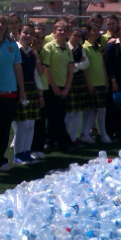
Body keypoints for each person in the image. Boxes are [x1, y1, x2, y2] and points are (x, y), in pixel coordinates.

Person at [0, 14, 25, 172]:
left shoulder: (12, 44)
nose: (1, 25)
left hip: (10, 92)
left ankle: (0, 160)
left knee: (4, 129)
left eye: (3, 23)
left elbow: (18, 68)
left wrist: (22, 90)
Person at [11, 23, 44, 164]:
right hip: (19, 90)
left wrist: (40, 93)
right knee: (23, 125)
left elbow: (38, 73)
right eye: (25, 32)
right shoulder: (13, 49)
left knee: (31, 125)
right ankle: (18, 155)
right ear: (19, 33)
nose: (28, 35)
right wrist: (20, 90)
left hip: (32, 89)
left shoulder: (32, 53)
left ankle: (26, 153)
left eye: (31, 33)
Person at [41, 20, 76, 153]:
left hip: (63, 88)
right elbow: (46, 69)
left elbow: (70, 70)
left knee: (58, 116)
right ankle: (63, 143)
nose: (62, 32)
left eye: (64, 30)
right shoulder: (48, 47)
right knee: (54, 117)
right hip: (50, 88)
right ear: (54, 32)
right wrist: (54, 87)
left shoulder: (68, 49)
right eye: (59, 30)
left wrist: (66, 88)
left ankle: (49, 142)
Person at [79, 23, 112, 144]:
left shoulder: (99, 47)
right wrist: (88, 83)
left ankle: (91, 134)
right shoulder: (84, 48)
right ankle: (98, 134)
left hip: (101, 82)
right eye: (93, 30)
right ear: (87, 32)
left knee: (100, 110)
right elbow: (84, 69)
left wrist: (106, 80)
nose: (96, 32)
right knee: (96, 109)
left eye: (97, 30)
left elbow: (102, 65)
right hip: (92, 83)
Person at [64, 26, 90, 146]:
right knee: (69, 113)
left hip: (79, 82)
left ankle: (73, 139)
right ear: (69, 34)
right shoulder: (64, 47)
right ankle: (64, 138)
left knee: (77, 113)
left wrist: (74, 66)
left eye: (80, 36)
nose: (77, 38)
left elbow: (86, 64)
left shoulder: (80, 47)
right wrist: (78, 65)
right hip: (68, 82)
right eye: (75, 35)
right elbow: (65, 67)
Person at [29, 25, 49, 159]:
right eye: (36, 37)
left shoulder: (45, 51)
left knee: (41, 121)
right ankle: (28, 149)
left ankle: (38, 147)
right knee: (30, 123)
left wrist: (35, 56)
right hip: (30, 89)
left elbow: (41, 71)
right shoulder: (25, 50)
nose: (39, 40)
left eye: (42, 38)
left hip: (43, 89)